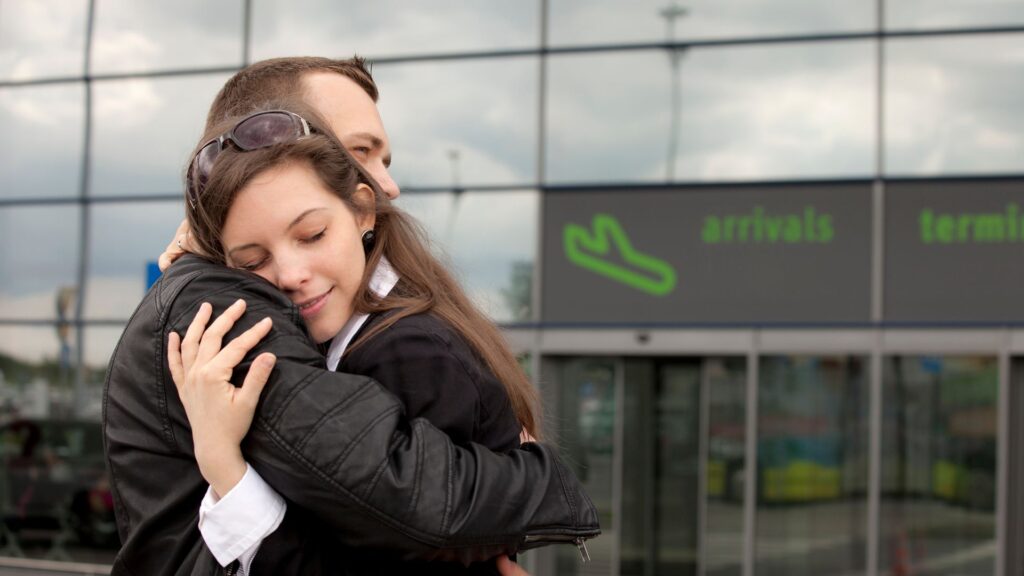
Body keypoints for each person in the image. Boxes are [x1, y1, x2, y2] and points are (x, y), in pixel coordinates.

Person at [104, 57, 598, 576]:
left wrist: (537, 482)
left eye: (382, 158)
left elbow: (403, 512)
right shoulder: (246, 311)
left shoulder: (403, 342)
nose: (387, 185)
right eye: (359, 152)